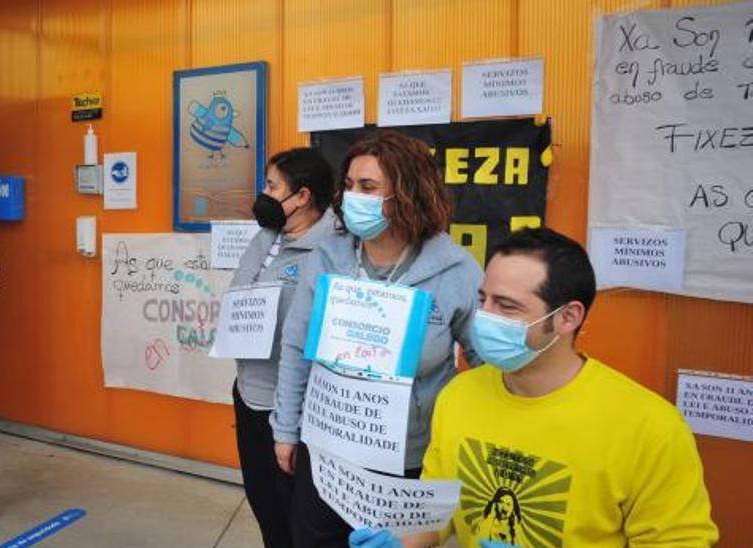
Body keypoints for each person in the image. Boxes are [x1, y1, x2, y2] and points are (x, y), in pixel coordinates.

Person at [348, 228, 719, 548]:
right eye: (483, 300)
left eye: (507, 307)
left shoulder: (650, 428)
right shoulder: (459, 396)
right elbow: (437, 511)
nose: (485, 317)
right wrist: (402, 538)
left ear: (567, 318)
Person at [271, 131, 482, 547]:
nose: (354, 197)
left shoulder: (454, 270)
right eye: (349, 186)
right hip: (329, 456)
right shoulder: (327, 259)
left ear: (408, 193)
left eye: (368, 187)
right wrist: (286, 431)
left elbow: (485, 366)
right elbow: (296, 348)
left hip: (409, 463)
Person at [228, 148, 336, 548]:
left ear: (302, 196)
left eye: (272, 186)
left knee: (302, 520)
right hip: (249, 393)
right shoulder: (266, 235)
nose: (264, 193)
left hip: (295, 406)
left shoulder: (334, 247)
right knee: (265, 507)